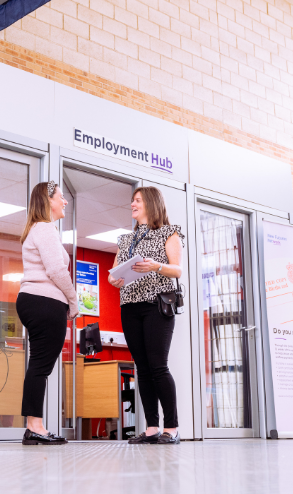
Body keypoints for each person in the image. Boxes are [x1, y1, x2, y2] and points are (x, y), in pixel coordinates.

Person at [108, 186, 184, 445]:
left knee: (158, 366)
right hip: (129, 306)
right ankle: (152, 427)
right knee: (141, 368)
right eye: (132, 200)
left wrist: (156, 266)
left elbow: (177, 271)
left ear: (151, 204)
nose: (132, 204)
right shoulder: (125, 240)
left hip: (157, 304)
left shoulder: (168, 232)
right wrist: (113, 278)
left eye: (137, 200)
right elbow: (112, 272)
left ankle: (171, 428)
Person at [16, 181, 79, 445]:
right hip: (43, 301)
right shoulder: (45, 228)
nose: (65, 202)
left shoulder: (36, 229)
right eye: (61, 197)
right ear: (48, 199)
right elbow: (55, 270)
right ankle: (35, 427)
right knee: (41, 366)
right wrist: (74, 301)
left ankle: (34, 426)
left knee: (38, 365)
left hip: (34, 301)